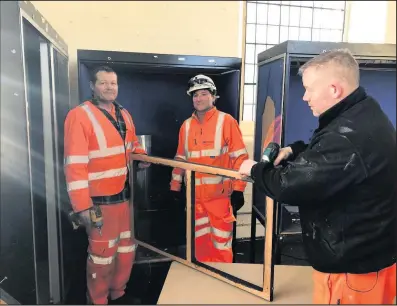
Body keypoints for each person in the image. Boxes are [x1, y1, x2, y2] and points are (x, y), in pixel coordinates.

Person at [239, 49, 396, 304]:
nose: (304, 96)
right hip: (370, 256)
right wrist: (295, 151)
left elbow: (287, 186)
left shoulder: (345, 137)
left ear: (334, 89)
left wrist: (256, 169)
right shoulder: (362, 112)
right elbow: (332, 158)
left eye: (309, 89)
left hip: (352, 272)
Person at [64, 66, 149, 305]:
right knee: (102, 256)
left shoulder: (124, 113)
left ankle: (118, 294)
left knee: (125, 250)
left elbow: (130, 145)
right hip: (99, 203)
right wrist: (83, 207)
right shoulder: (79, 115)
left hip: (124, 198)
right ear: (92, 86)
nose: (109, 87)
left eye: (113, 83)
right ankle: (98, 300)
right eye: (103, 83)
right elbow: (74, 165)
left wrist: (140, 156)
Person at [170, 74, 249, 263]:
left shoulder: (227, 121)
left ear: (213, 96)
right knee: (200, 244)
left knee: (222, 245)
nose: (199, 99)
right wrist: (175, 187)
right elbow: (180, 158)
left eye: (204, 94)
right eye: (195, 95)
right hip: (195, 199)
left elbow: (240, 158)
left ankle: (224, 284)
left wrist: (239, 190)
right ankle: (204, 279)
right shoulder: (186, 126)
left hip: (220, 199)